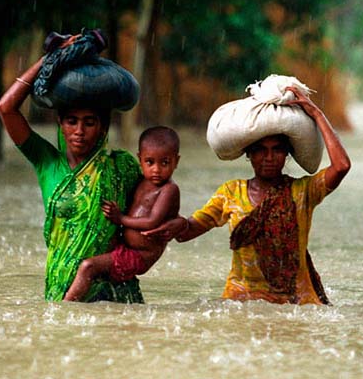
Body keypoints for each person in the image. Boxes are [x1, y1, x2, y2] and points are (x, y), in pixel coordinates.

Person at [145, 86, 351, 305]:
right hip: (241, 301)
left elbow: (341, 166)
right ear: (249, 154)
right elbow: (187, 231)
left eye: (277, 149)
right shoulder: (231, 193)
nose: (269, 157)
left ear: (286, 154)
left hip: (294, 302)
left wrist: (317, 114)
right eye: (261, 150)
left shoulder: (302, 192)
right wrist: (175, 224)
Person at [0, 31, 148, 303]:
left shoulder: (122, 167)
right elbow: (6, 108)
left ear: (102, 127)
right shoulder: (47, 162)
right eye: (72, 121)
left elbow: (152, 208)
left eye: (89, 123)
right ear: (60, 124)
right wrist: (51, 59)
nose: (79, 131)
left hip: (114, 293)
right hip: (61, 285)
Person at [63, 126, 181, 301]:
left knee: (88, 266)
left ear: (176, 162)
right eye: (150, 162)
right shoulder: (141, 181)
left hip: (140, 255)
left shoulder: (169, 189)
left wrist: (120, 219)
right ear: (139, 159)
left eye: (164, 163)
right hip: (126, 247)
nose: (156, 169)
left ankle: (64, 308)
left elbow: (152, 222)